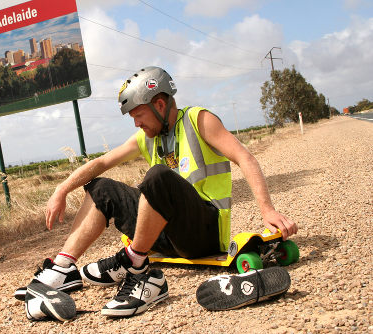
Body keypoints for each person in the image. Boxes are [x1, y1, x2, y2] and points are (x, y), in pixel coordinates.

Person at [16, 66, 298, 318]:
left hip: (202, 233)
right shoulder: (147, 137)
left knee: (157, 176)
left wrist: (267, 209)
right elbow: (102, 162)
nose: (136, 124)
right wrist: (61, 189)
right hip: (163, 237)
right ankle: (65, 268)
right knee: (102, 186)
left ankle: (135, 267)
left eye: (138, 116)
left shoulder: (200, 121)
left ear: (160, 104)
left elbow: (245, 158)